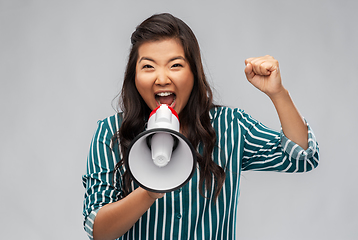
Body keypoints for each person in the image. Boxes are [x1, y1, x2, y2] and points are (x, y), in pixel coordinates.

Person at [82, 13, 319, 240]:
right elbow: (99, 231)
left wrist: (278, 93)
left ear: (194, 73)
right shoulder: (111, 133)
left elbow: (302, 158)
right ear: (134, 76)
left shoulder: (230, 126)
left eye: (175, 65)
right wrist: (149, 191)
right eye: (148, 67)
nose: (162, 79)